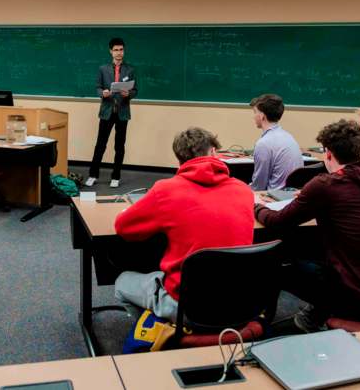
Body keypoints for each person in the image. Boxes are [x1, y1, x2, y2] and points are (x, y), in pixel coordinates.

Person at [255, 119, 360, 332]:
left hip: (358, 297)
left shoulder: (325, 185)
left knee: (279, 262)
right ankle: (317, 314)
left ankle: (271, 328)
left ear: (328, 154)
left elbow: (276, 222)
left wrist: (257, 206)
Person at [113, 127, 255, 322]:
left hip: (189, 305)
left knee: (122, 282)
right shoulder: (243, 190)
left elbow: (124, 228)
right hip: (241, 300)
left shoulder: (166, 190)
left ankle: (160, 337)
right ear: (214, 152)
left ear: (179, 158)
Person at [86, 37, 137, 189]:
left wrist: (129, 94)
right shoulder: (103, 69)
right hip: (107, 111)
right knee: (100, 145)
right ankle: (93, 175)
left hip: (122, 112)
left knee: (119, 146)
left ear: (124, 51)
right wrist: (103, 93)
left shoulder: (130, 69)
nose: (119, 53)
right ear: (111, 51)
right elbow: (97, 87)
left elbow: (135, 90)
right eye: (116, 50)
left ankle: (116, 176)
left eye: (121, 49)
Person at [249, 94, 303, 190]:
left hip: (273, 199)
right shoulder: (289, 136)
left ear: (262, 116)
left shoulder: (263, 144)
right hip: (292, 197)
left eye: (255, 112)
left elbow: (258, 187)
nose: (253, 117)